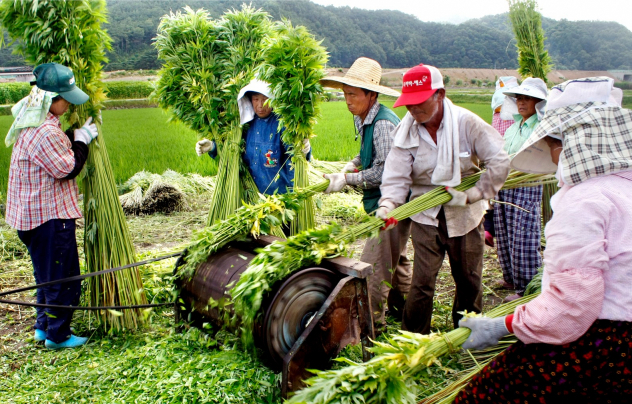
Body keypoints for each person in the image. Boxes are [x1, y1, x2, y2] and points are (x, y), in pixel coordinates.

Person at [456, 77, 631, 403]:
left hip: (602, 342)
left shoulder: (584, 201)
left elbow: (571, 308)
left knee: (487, 393)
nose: (552, 157)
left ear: (570, 146)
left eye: (552, 146)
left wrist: (503, 326)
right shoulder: (624, 187)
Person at [378, 64, 510, 334]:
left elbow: (498, 159)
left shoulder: (466, 123)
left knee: (469, 280)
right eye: (409, 104)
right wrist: (388, 205)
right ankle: (413, 339)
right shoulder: (407, 131)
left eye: (419, 102)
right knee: (422, 282)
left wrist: (477, 194)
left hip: (465, 215)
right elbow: (396, 175)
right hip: (425, 214)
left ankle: (468, 335)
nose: (413, 110)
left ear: (439, 94)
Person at [5, 63, 98, 349]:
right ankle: (59, 335)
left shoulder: (28, 119)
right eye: (65, 98)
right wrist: (81, 140)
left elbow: (53, 152)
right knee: (61, 276)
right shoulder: (45, 130)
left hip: (29, 217)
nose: (69, 103)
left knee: (45, 275)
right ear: (51, 98)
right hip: (49, 219)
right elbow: (67, 168)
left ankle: (43, 327)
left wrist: (71, 136)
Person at [319, 57, 411, 331]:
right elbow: (369, 153)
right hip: (383, 203)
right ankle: (403, 308)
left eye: (352, 94)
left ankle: (372, 325)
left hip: (391, 206)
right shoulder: (366, 119)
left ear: (371, 95)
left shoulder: (382, 123)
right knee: (397, 259)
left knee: (374, 265)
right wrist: (354, 163)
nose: (347, 100)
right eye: (345, 94)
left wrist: (347, 180)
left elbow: (385, 172)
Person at [195, 79, 311, 196]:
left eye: (265, 99)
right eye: (256, 99)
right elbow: (230, 150)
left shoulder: (282, 124)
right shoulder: (243, 124)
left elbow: (295, 157)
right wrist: (212, 147)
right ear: (250, 99)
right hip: (250, 195)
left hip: (278, 196)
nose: (260, 105)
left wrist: (304, 149)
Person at [493, 77, 547, 300]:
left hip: (526, 184)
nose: (521, 102)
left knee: (522, 235)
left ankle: (525, 287)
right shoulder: (514, 128)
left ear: (538, 102)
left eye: (527, 98)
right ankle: (510, 278)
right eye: (519, 98)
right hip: (506, 184)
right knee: (504, 231)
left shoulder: (541, 127)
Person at [483, 76, 518, 247]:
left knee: (494, 198)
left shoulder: (498, 104)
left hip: (499, 156)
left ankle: (489, 228)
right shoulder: (510, 104)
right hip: (509, 158)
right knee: (500, 199)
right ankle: (491, 229)